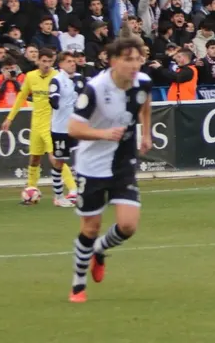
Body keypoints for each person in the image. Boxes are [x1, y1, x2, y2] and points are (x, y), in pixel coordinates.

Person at [66, 36, 155, 303]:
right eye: (128, 59)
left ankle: (99, 251)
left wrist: (146, 133)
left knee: (128, 225)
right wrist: (104, 133)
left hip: (122, 161)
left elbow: (145, 103)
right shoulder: (95, 89)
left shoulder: (143, 83)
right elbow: (73, 128)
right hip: (91, 164)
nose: (134, 64)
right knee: (90, 227)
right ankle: (78, 284)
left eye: (138, 58)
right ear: (113, 61)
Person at [2, 48, 78, 207]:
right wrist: (10, 118)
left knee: (56, 158)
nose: (46, 64)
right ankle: (31, 189)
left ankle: (73, 190)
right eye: (44, 61)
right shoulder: (31, 76)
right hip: (36, 124)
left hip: (52, 124)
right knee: (35, 158)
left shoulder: (57, 78)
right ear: (38, 61)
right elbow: (21, 97)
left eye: (50, 61)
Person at [48, 51, 85, 206]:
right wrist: (54, 100)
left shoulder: (79, 79)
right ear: (61, 64)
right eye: (69, 61)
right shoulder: (56, 80)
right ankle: (58, 196)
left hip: (76, 127)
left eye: (73, 61)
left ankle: (83, 194)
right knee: (59, 162)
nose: (72, 63)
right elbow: (53, 99)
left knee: (82, 160)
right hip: (60, 128)